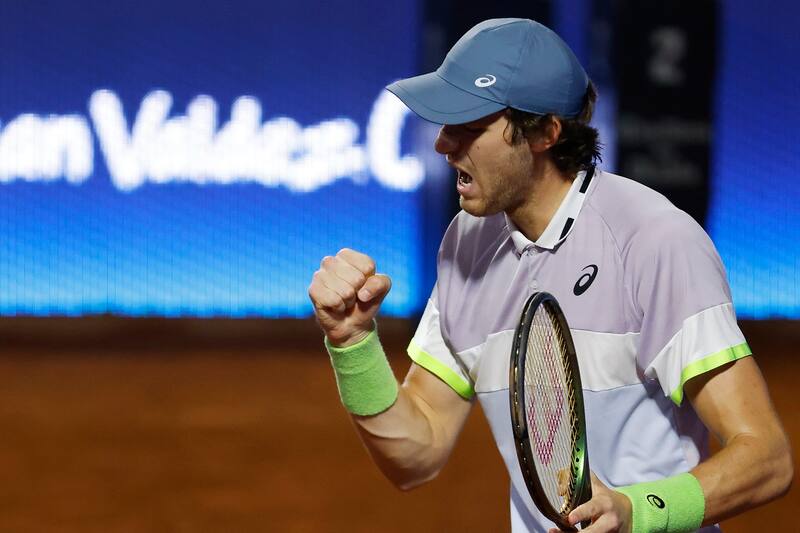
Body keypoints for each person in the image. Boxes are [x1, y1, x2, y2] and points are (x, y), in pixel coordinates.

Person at [307, 18, 792, 533]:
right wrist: (353, 343)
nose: (443, 145)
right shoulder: (466, 242)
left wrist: (637, 512)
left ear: (544, 132)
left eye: (468, 126)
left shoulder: (654, 240)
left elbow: (766, 458)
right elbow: (416, 453)